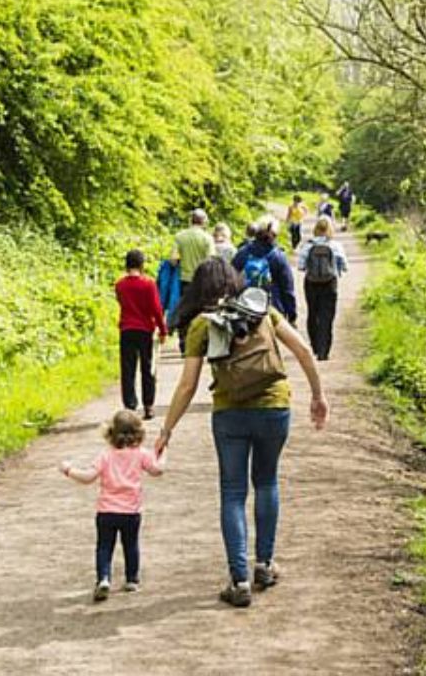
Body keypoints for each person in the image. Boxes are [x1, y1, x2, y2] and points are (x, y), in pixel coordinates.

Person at [157, 259, 329, 608]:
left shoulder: (202, 326)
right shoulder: (262, 310)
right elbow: (304, 351)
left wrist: (166, 429)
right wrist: (317, 395)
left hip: (230, 414)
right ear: (235, 281)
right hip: (273, 407)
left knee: (233, 492)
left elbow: (187, 385)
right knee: (267, 482)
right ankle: (264, 565)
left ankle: (239, 581)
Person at [60, 410, 167, 601]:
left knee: (104, 547)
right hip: (131, 512)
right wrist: (163, 451)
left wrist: (68, 469)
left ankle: (103, 579)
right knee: (131, 544)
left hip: (106, 511)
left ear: (110, 433)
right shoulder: (140, 454)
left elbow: (87, 477)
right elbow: (157, 470)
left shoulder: (105, 456)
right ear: (139, 434)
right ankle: (131, 579)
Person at [115, 249, 167, 419]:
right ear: (142, 264)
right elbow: (156, 309)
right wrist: (163, 329)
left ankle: (130, 405)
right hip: (145, 330)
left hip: (126, 329)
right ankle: (148, 405)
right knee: (148, 368)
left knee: (128, 369)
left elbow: (122, 303)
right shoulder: (148, 284)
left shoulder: (120, 285)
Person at [297, 217, 348, 360]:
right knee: (327, 316)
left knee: (313, 313)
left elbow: (301, 267)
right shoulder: (336, 246)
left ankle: (314, 345)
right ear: (330, 229)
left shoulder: (307, 245)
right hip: (330, 283)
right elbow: (345, 266)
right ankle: (324, 350)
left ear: (316, 229)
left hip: (311, 283)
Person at [231, 215, 297, 326]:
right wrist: (292, 315)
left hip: (245, 307)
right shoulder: (279, 256)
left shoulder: (243, 252)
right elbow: (287, 288)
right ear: (275, 235)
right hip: (272, 309)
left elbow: (231, 278)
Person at [171, 209, 214, 351]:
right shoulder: (207, 239)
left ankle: (184, 343)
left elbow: (173, 260)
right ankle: (202, 343)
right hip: (203, 281)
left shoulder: (180, 237)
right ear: (204, 222)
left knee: (185, 311)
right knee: (202, 312)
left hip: (185, 280)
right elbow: (211, 261)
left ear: (191, 220)